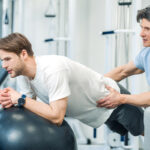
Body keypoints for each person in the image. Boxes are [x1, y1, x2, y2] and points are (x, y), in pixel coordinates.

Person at [0, 33, 143, 136]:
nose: (4, 65)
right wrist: (10, 101)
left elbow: (56, 117)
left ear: (23, 54)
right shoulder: (22, 75)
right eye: (2, 60)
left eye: (7, 59)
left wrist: (20, 99)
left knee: (146, 134)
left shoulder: (53, 69)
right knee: (128, 134)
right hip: (98, 114)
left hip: (116, 103)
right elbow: (30, 106)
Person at [97, 6, 150, 108]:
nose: (141, 34)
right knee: (109, 91)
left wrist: (121, 98)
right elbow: (122, 71)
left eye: (147, 29)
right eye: (141, 28)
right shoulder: (146, 53)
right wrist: (94, 86)